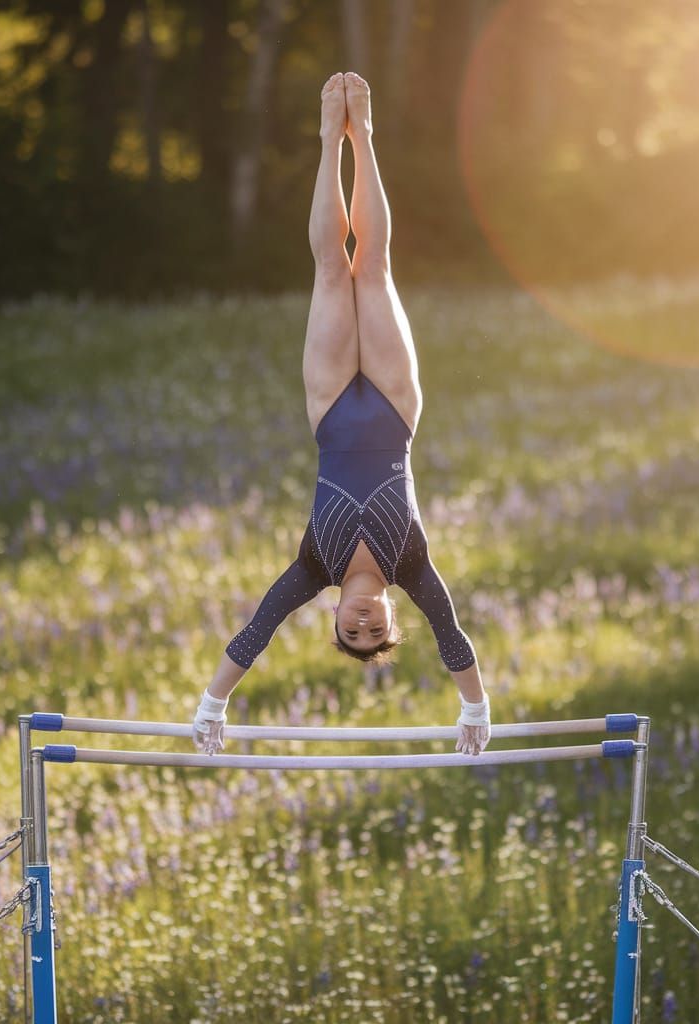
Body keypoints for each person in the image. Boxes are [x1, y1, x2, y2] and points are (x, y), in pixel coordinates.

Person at [192, 73, 491, 757]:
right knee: (375, 268)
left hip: (330, 408)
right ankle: (368, 138)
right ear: (390, 617)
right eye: (374, 630)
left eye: (349, 632)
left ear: (334, 616)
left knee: (333, 270)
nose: (361, 622)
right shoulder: (411, 564)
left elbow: (255, 632)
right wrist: (475, 709)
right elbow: (451, 636)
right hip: (393, 404)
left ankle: (331, 140)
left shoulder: (313, 565)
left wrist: (213, 705)